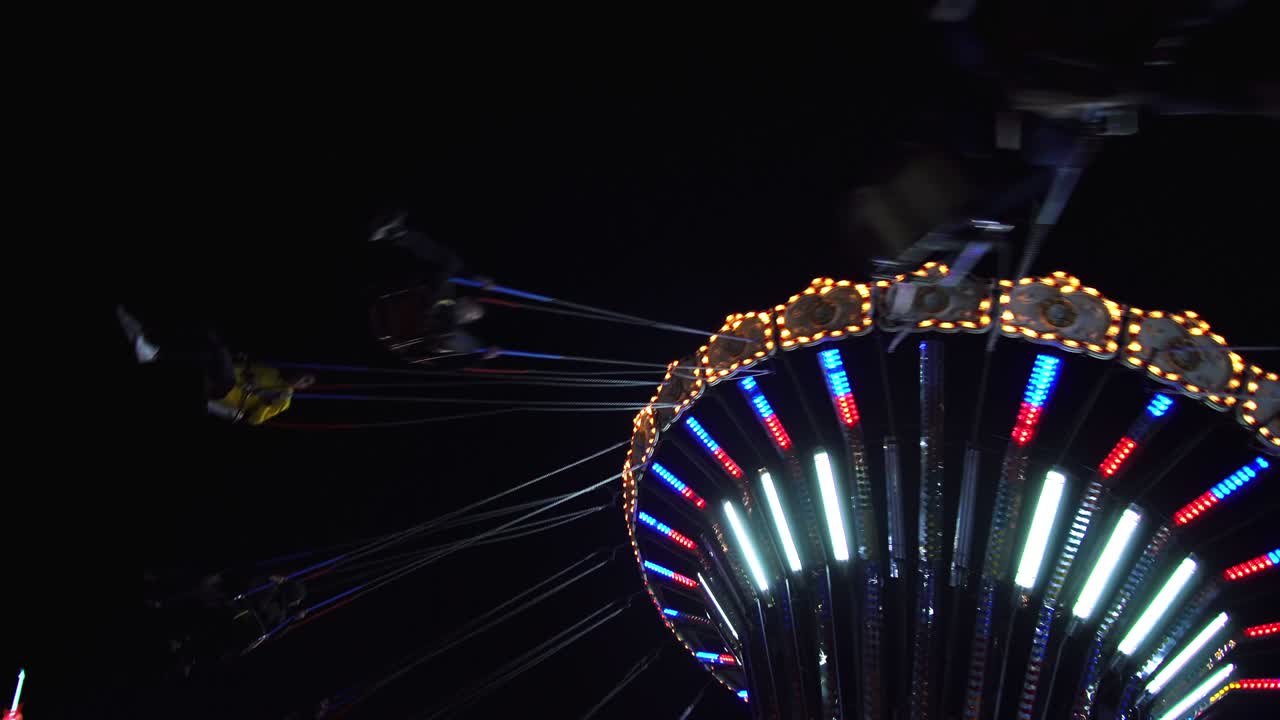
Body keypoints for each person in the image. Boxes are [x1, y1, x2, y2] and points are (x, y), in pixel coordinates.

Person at [118, 305, 312, 425]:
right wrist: (246, 368)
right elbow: (245, 368)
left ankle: (155, 354)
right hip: (222, 375)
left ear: (301, 387)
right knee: (208, 342)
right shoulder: (273, 372)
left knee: (218, 351)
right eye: (302, 374)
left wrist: (269, 402)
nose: (299, 378)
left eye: (304, 381)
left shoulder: (284, 399)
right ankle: (154, 347)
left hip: (225, 392)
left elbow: (253, 420)